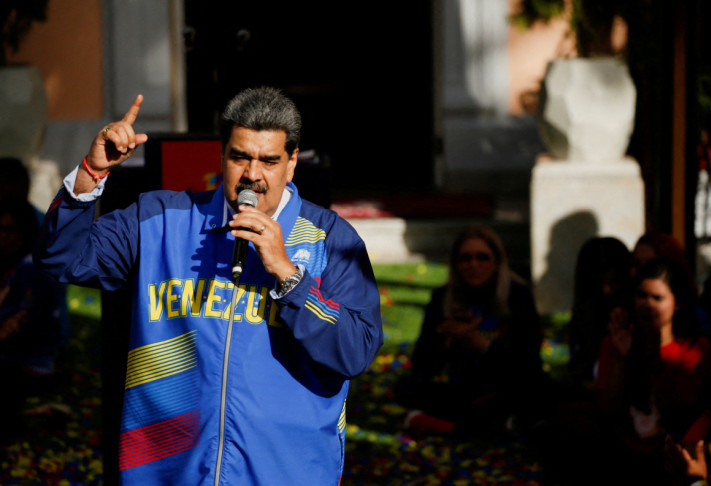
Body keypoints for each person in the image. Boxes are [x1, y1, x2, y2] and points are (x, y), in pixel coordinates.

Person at [33, 87, 383, 485]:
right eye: (240, 157)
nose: (253, 174)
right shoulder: (160, 219)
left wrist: (290, 278)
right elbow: (61, 259)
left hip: (287, 471)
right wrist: (91, 175)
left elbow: (356, 351)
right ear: (221, 156)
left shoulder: (329, 238)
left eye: (269, 160)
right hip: (168, 471)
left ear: (291, 164)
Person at [395, 225, 543, 438]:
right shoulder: (442, 298)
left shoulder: (518, 297)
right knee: (408, 387)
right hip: (462, 387)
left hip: (506, 385)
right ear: (456, 264)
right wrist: (448, 340)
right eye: (466, 258)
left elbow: (526, 361)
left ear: (497, 262)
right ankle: (499, 426)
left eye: (482, 257)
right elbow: (422, 365)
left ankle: (448, 426)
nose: (474, 264)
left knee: (532, 391)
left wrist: (479, 343)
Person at [595, 258, 711, 483]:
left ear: (676, 302)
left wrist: (654, 359)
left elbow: (680, 416)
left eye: (657, 298)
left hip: (672, 457)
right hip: (623, 451)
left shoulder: (694, 349)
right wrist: (621, 358)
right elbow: (607, 410)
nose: (647, 305)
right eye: (641, 296)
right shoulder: (617, 341)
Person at [0, 198, 68, 441]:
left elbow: (18, 323)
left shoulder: (32, 266)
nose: (4, 237)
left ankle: (25, 418)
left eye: (10, 230)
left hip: (27, 359)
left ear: (25, 232)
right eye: (0, 229)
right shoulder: (16, 264)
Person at [566, 236, 631, 390]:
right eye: (598, 284)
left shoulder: (634, 321)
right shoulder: (584, 319)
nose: (606, 291)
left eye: (613, 283)